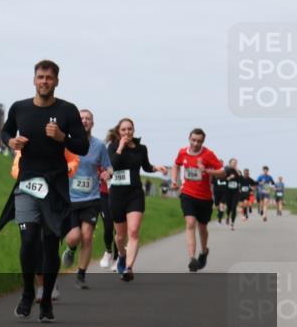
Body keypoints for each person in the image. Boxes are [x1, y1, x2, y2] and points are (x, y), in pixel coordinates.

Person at [0, 60, 89, 323]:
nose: (44, 82)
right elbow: (5, 131)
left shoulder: (67, 111)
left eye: (49, 78)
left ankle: (46, 299)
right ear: (34, 80)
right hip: (27, 183)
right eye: (40, 77)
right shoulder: (20, 108)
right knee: (28, 241)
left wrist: (63, 138)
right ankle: (28, 293)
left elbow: (81, 147)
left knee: (50, 246)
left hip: (56, 187)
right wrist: (10, 142)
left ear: (57, 81)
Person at [11, 146, 79, 302]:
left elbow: (74, 160)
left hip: (54, 195)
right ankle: (41, 286)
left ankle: (50, 282)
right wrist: (26, 175)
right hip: (30, 194)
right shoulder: (27, 141)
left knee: (49, 242)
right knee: (33, 241)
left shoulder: (57, 139)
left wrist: (62, 171)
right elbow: (15, 168)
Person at [106, 118, 168, 282]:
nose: (127, 132)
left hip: (134, 194)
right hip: (117, 195)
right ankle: (121, 254)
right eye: (124, 130)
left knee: (133, 232)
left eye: (130, 129)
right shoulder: (112, 147)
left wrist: (157, 168)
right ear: (119, 131)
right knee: (120, 237)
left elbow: (146, 166)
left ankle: (128, 267)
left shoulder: (141, 148)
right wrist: (120, 146)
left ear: (134, 130)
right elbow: (113, 166)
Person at [64, 109, 112, 289]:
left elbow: (109, 167)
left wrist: (107, 173)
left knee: (87, 236)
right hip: (70, 198)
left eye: (88, 119)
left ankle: (81, 275)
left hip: (92, 198)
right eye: (81, 118)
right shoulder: (66, 145)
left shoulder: (99, 146)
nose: (84, 121)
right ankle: (70, 248)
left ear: (92, 123)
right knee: (74, 237)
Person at [170, 128, 225, 272]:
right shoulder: (182, 152)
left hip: (205, 198)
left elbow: (222, 172)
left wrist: (207, 171)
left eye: (199, 141)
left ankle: (204, 250)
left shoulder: (208, 154)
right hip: (187, 194)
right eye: (193, 140)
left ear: (203, 141)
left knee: (202, 228)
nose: (195, 143)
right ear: (189, 138)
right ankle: (192, 258)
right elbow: (176, 165)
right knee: (190, 223)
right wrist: (174, 180)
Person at [224, 158, 242, 230]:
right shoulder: (226, 170)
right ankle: (228, 216)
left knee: (234, 207)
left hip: (236, 192)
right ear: (230, 163)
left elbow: (241, 178)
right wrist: (229, 178)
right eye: (233, 162)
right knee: (229, 207)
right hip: (228, 191)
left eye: (235, 163)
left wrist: (237, 170)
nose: (234, 164)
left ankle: (232, 223)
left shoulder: (238, 171)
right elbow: (223, 180)